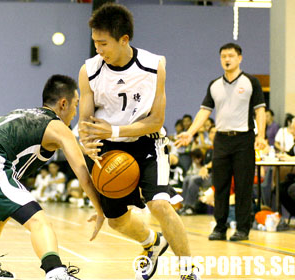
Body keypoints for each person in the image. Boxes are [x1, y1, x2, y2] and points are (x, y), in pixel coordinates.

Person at [78, 4, 199, 280]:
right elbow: (86, 123)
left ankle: (188, 269)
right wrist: (88, 142)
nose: (98, 49)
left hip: (146, 142)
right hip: (107, 148)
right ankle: (151, 243)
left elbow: (156, 120)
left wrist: (115, 131)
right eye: (95, 43)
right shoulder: (89, 71)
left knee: (160, 204)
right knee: (116, 221)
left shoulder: (154, 66)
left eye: (103, 43)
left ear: (124, 40)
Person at [0, 75, 104, 280]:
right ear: (63, 103)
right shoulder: (58, 127)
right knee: (38, 220)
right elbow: (82, 173)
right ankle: (56, 272)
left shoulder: (19, 113)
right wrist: (100, 209)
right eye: (75, 105)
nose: (75, 112)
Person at [176, 43, 267, 241]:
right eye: (223, 56)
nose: (227, 59)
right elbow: (204, 112)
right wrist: (190, 133)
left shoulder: (251, 82)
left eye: (231, 56)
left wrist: (261, 136)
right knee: (221, 184)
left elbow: (260, 110)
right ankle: (219, 227)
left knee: (243, 186)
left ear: (239, 58)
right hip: (222, 140)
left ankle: (243, 229)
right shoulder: (214, 84)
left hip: (244, 138)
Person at [278, 117, 295, 225]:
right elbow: (287, 155)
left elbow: (292, 158)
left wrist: (290, 158)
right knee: (281, 189)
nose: (291, 131)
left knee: (293, 189)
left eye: (294, 128)